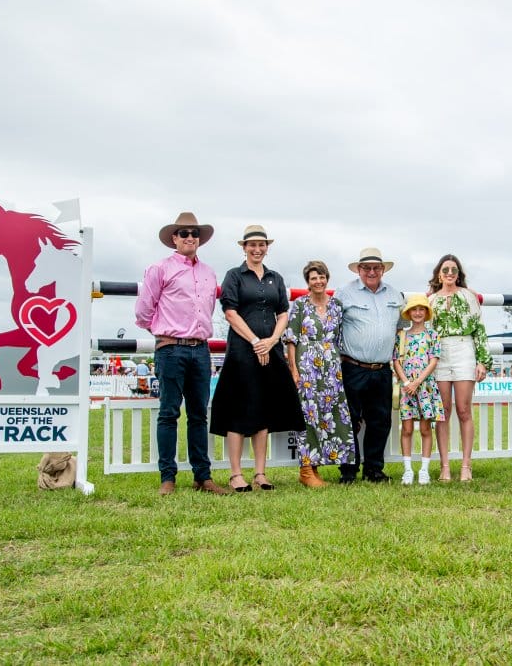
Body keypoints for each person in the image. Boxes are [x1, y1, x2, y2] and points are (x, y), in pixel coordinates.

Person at [134, 211, 228, 496]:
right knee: (169, 412)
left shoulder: (209, 272)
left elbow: (209, 308)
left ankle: (203, 476)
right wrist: (164, 333)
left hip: (200, 349)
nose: (190, 237)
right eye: (184, 233)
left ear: (199, 239)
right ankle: (168, 477)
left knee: (199, 414)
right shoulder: (159, 269)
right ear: (174, 239)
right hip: (171, 347)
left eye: (194, 234)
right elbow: (142, 311)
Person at [209, 225, 305, 492]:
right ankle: (236, 473)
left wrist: (272, 340)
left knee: (264, 409)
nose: (257, 249)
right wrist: (254, 342)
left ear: (267, 247)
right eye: (252, 245)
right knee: (238, 410)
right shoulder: (234, 276)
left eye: (261, 245)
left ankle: (260, 472)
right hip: (242, 350)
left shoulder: (276, 277)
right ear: (244, 248)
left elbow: (284, 312)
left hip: (270, 349)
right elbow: (230, 312)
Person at [334, 248, 404, 483]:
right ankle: (348, 470)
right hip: (353, 366)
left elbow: (401, 328)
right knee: (349, 420)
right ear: (359, 270)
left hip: (382, 368)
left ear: (383, 269)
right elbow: (332, 326)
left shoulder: (396, 295)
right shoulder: (344, 293)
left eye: (376, 267)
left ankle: (374, 469)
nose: (371, 271)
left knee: (380, 420)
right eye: (366, 268)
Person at [284, 260, 356, 488]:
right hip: (307, 363)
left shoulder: (336, 306)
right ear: (308, 282)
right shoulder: (300, 305)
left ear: (327, 278)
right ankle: (306, 469)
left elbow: (341, 336)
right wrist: (294, 369)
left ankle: (319, 466)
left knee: (330, 415)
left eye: (321, 277)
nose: (318, 281)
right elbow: (291, 339)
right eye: (313, 278)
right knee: (308, 415)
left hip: (332, 366)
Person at [428, 254, 493, 483]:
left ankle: (466, 465)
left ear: (459, 274)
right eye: (445, 270)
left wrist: (482, 361)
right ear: (439, 273)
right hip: (440, 352)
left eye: (453, 270)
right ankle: (444, 466)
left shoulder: (469, 297)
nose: (449, 274)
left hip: (464, 348)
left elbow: (480, 330)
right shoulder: (431, 300)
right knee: (442, 411)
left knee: (464, 409)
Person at [393, 294, 445, 485]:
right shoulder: (402, 335)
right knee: (406, 428)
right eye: (414, 309)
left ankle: (424, 469)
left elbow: (434, 360)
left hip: (425, 387)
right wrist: (407, 382)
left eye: (421, 309)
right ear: (408, 312)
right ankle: (407, 470)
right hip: (407, 388)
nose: (417, 313)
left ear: (426, 312)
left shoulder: (432, 335)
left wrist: (418, 382)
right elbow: (396, 361)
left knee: (425, 428)